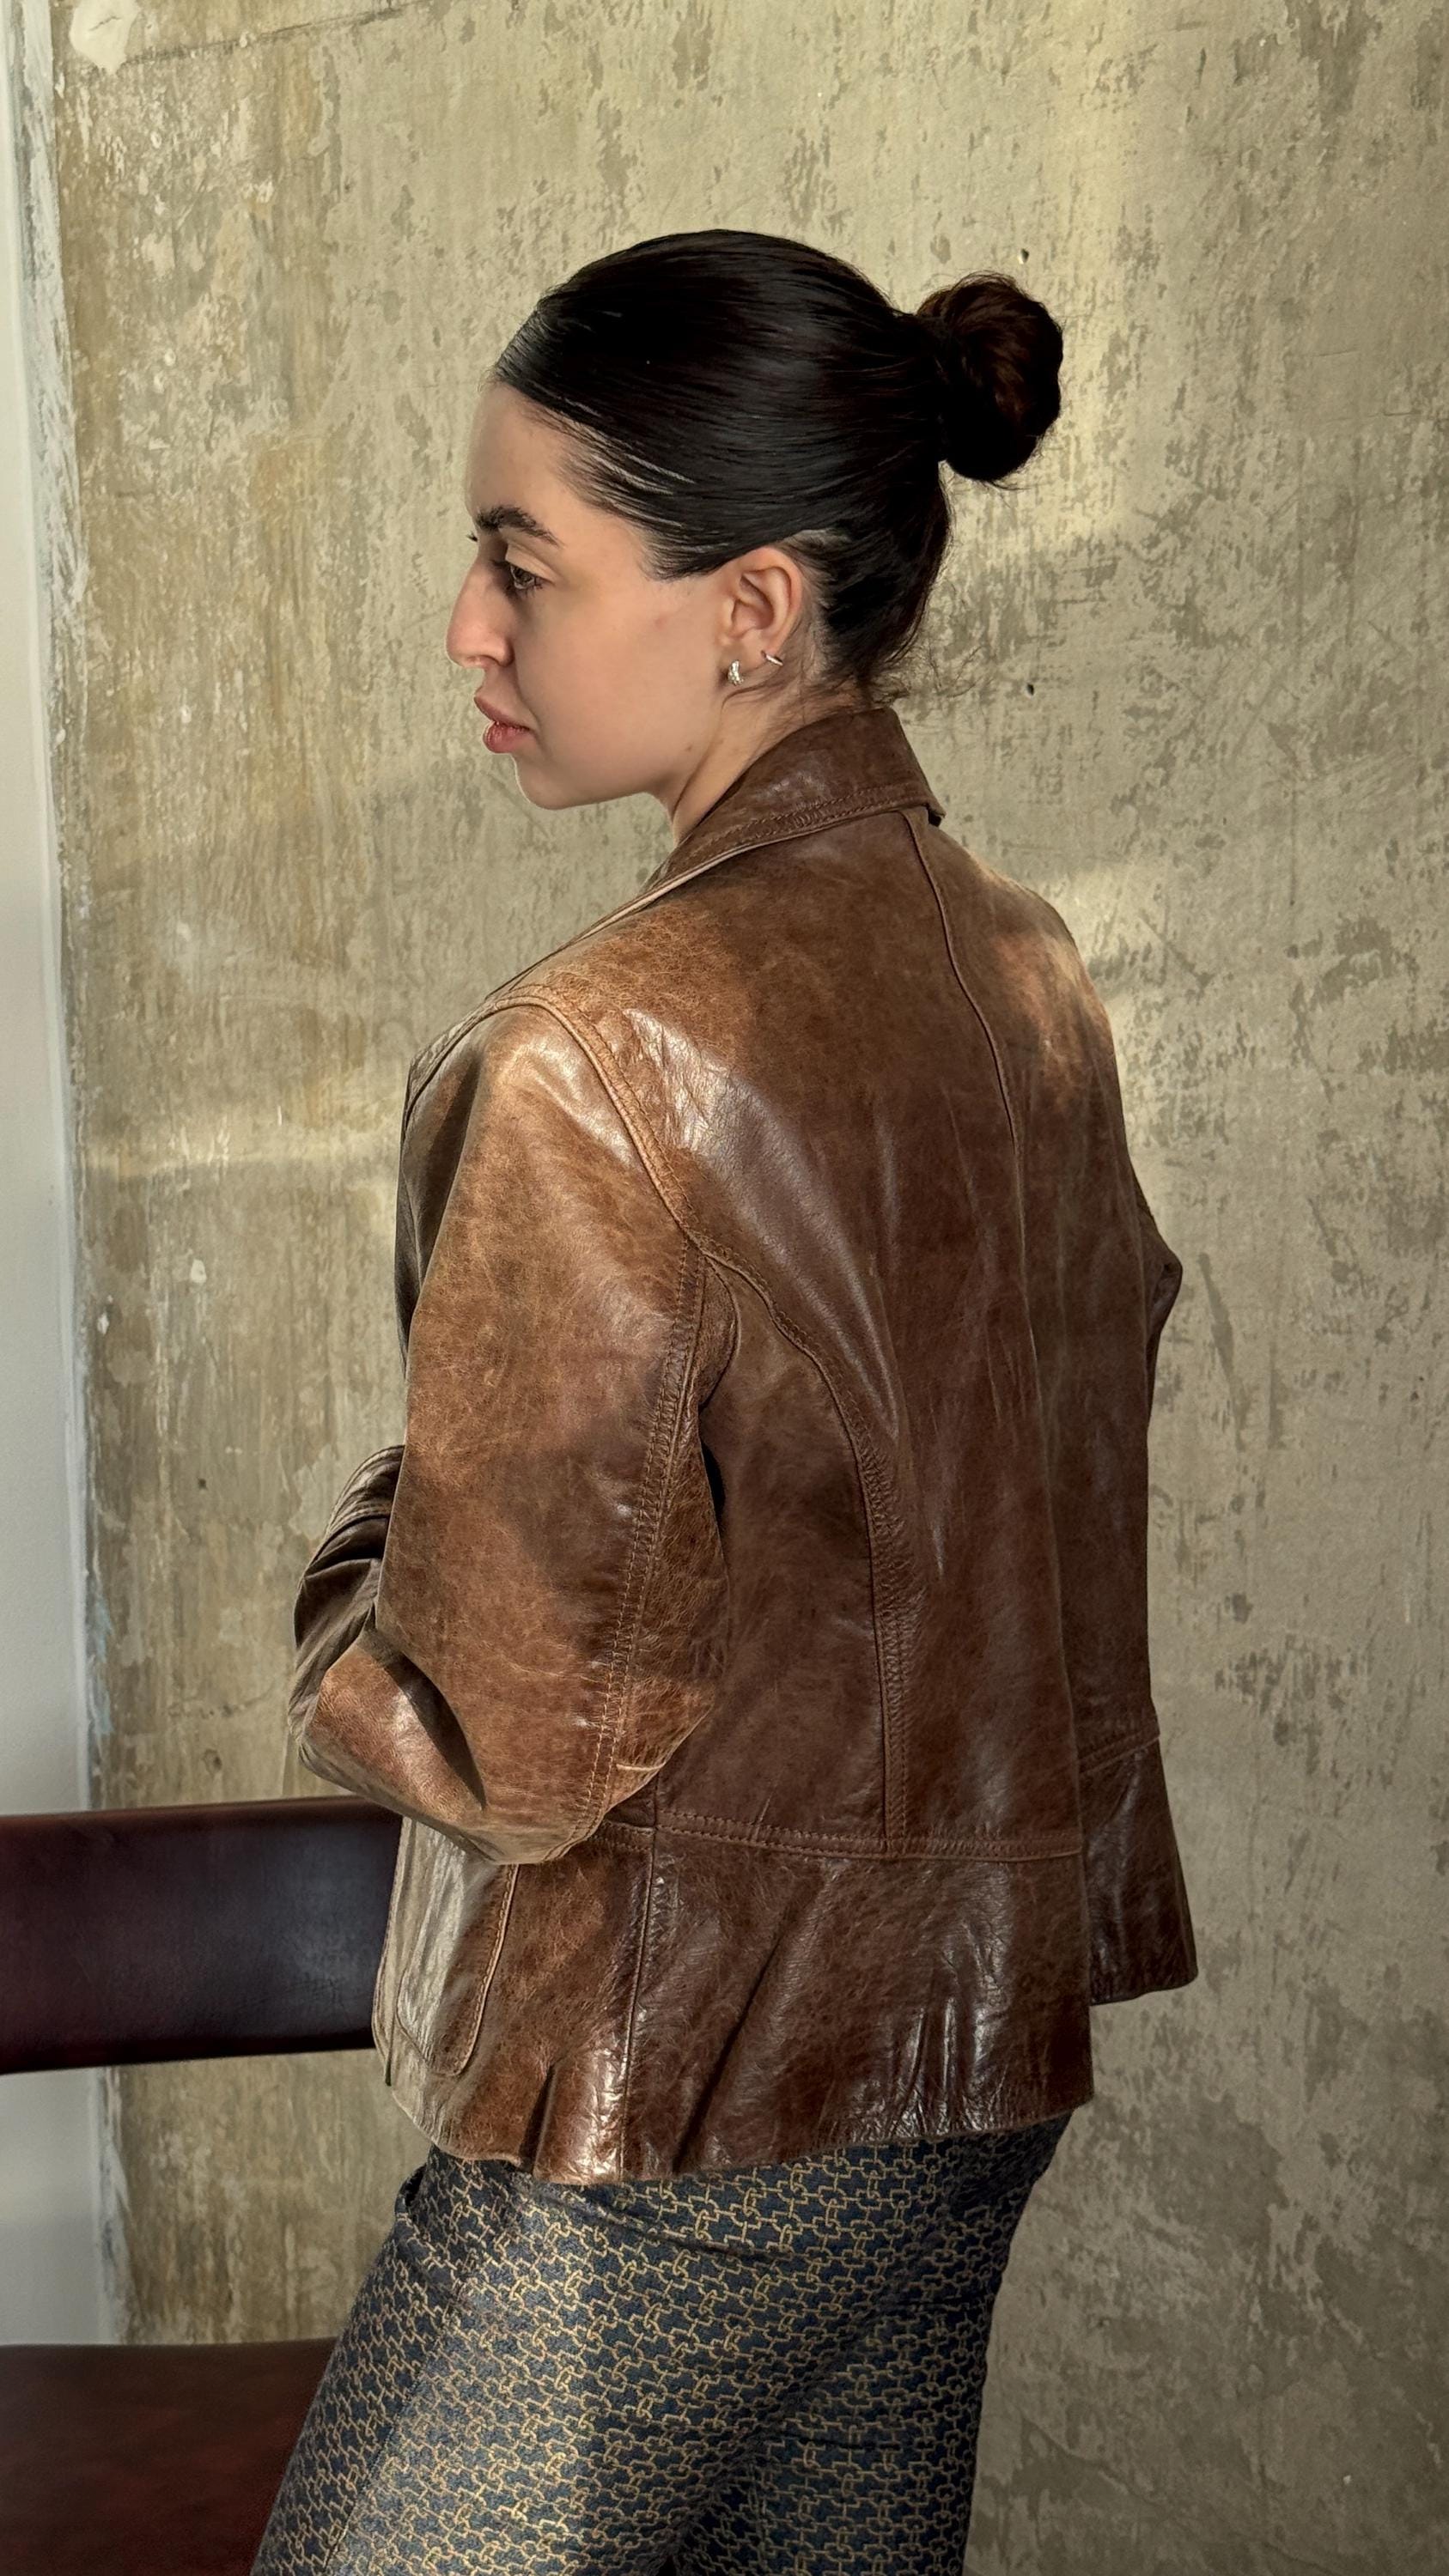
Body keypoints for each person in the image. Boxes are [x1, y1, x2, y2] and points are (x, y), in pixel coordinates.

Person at [253, 228, 1196, 2575]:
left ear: (754, 608)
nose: (468, 630)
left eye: (521, 564)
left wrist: (349, 1579)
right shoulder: (1029, 979)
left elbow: (501, 1735)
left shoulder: (593, 1061)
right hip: (973, 2059)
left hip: (679, 2114)